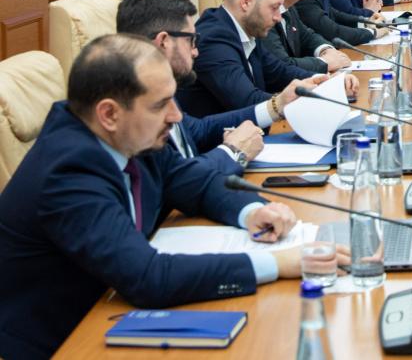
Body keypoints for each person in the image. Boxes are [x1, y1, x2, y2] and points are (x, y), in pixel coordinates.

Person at [0, 35, 348, 360]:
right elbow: (148, 277)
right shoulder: (68, 171)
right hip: (66, 341)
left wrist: (253, 211)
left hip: (112, 308)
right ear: (109, 113)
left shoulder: (127, 132)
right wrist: (279, 263)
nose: (176, 116)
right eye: (161, 104)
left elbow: (196, 182)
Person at [116, 0, 321, 175]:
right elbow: (179, 179)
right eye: (191, 40)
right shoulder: (134, 116)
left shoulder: (161, 89)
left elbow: (198, 130)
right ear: (163, 42)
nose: (196, 52)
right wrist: (234, 152)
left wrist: (278, 105)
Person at [176, 0, 338, 117]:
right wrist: (291, 100)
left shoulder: (248, 28)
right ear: (246, 2)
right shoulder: (213, 39)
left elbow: (278, 72)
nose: (278, 17)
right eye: (274, 8)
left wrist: (324, 82)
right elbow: (246, 101)